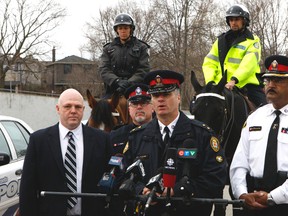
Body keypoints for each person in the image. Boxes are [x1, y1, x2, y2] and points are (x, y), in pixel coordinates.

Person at [123, 70, 227, 216]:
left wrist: (179, 190)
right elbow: (124, 174)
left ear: (178, 97)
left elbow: (216, 177)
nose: (160, 99)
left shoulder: (202, 135)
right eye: (155, 95)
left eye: (166, 95)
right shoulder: (138, 137)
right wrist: (142, 190)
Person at [19, 88, 112, 216]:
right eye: (67, 106)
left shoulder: (102, 139)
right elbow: (27, 188)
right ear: (58, 109)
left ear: (84, 110)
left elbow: (111, 180)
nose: (73, 111)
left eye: (78, 107)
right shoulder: (38, 140)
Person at [230, 54, 288, 216]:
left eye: (278, 81)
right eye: (268, 80)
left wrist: (272, 197)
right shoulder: (255, 117)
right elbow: (239, 163)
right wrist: (242, 193)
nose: (271, 85)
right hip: (252, 202)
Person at [202, 4, 266, 107]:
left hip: (247, 86)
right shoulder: (220, 41)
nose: (233, 23)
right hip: (221, 86)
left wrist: (234, 80)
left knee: (265, 110)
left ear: (244, 21)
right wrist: (210, 82)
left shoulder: (253, 41)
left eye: (237, 19)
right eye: (231, 20)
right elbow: (209, 62)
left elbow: (249, 64)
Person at [99, 13, 150, 98]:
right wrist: (117, 81)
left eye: (126, 28)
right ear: (117, 30)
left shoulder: (142, 47)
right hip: (113, 89)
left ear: (131, 29)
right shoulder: (108, 48)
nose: (123, 31)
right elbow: (103, 69)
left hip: (135, 89)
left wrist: (129, 82)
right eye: (120, 28)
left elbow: (144, 69)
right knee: (101, 108)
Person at [110, 83, 154, 155]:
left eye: (143, 103)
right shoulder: (116, 135)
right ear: (129, 109)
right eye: (135, 104)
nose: (139, 107)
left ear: (153, 108)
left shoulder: (162, 133)